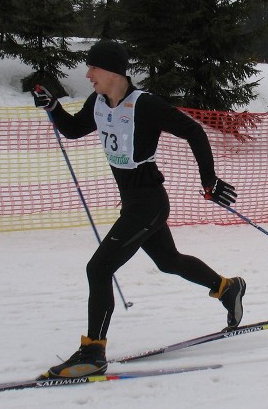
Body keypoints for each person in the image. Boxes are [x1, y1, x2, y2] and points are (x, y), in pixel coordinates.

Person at [32, 39, 245, 379]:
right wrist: (53, 107)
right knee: (169, 261)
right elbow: (72, 130)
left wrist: (209, 180)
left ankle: (93, 352)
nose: (88, 75)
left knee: (99, 268)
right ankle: (226, 287)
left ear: (113, 71)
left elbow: (193, 131)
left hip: (148, 204)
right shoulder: (98, 103)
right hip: (134, 203)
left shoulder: (145, 105)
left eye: (93, 68)